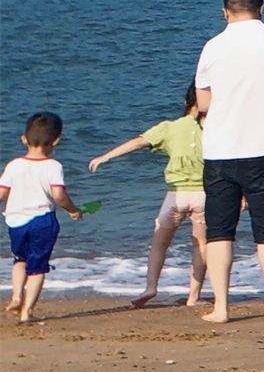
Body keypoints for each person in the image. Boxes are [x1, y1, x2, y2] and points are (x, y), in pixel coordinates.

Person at [194, 0, 264, 325]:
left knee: (219, 230)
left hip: (220, 149)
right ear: (262, 9)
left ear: (225, 11)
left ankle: (222, 307)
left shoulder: (213, 46)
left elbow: (203, 103)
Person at [89, 84, 209, 308]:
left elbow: (138, 142)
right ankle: (194, 296)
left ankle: (151, 287)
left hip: (176, 195)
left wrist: (106, 157)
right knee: (201, 245)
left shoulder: (169, 127)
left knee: (159, 244)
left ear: (186, 103)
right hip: (204, 195)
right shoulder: (214, 128)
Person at [2, 112, 84, 324]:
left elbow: (1, 193)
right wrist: (73, 209)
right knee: (38, 267)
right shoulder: (53, 166)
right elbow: (58, 195)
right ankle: (27, 311)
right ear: (55, 141)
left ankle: (16, 296)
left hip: (15, 220)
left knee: (19, 260)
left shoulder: (14, 165)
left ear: (24, 138)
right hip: (42, 220)